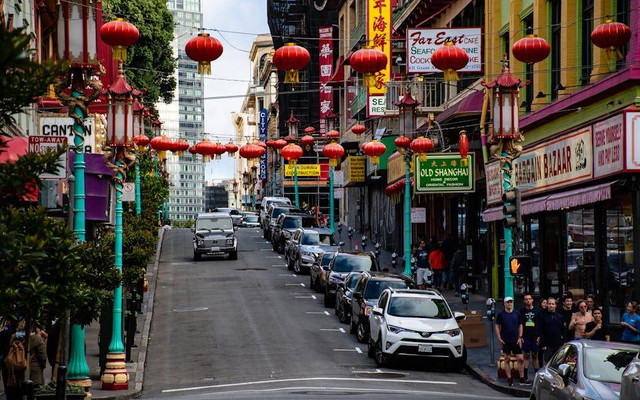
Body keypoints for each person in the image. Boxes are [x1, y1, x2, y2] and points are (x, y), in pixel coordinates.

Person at [496, 297, 525, 386]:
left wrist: (520, 337)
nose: (509, 304)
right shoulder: (501, 314)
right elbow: (497, 326)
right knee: (507, 359)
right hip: (506, 340)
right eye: (508, 302)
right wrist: (499, 338)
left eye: (511, 302)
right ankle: (509, 378)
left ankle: (522, 377)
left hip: (515, 340)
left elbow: (520, 325)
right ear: (504, 304)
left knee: (520, 358)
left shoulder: (516, 313)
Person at [537, 297, 565, 364]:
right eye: (549, 304)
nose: (551, 305)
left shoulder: (560, 317)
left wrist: (563, 342)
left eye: (552, 304)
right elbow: (541, 331)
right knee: (547, 363)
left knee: (558, 363)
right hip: (547, 345)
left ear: (555, 305)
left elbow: (563, 330)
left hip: (558, 344)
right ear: (547, 305)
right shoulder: (542, 316)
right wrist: (543, 345)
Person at [520, 294, 539, 381]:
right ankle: (525, 375)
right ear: (524, 301)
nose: (528, 300)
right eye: (526, 299)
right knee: (526, 355)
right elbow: (520, 325)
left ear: (532, 300)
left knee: (535, 355)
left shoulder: (537, 311)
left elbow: (540, 324)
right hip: (526, 336)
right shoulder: (522, 312)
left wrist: (539, 336)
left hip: (535, 336)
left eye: (529, 299)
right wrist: (520, 336)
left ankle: (537, 375)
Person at [537, 299, 548, 365]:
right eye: (543, 303)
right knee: (540, 352)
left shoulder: (548, 312)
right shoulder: (538, 313)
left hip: (548, 334)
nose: (545, 304)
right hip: (540, 333)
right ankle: (540, 365)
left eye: (546, 303)